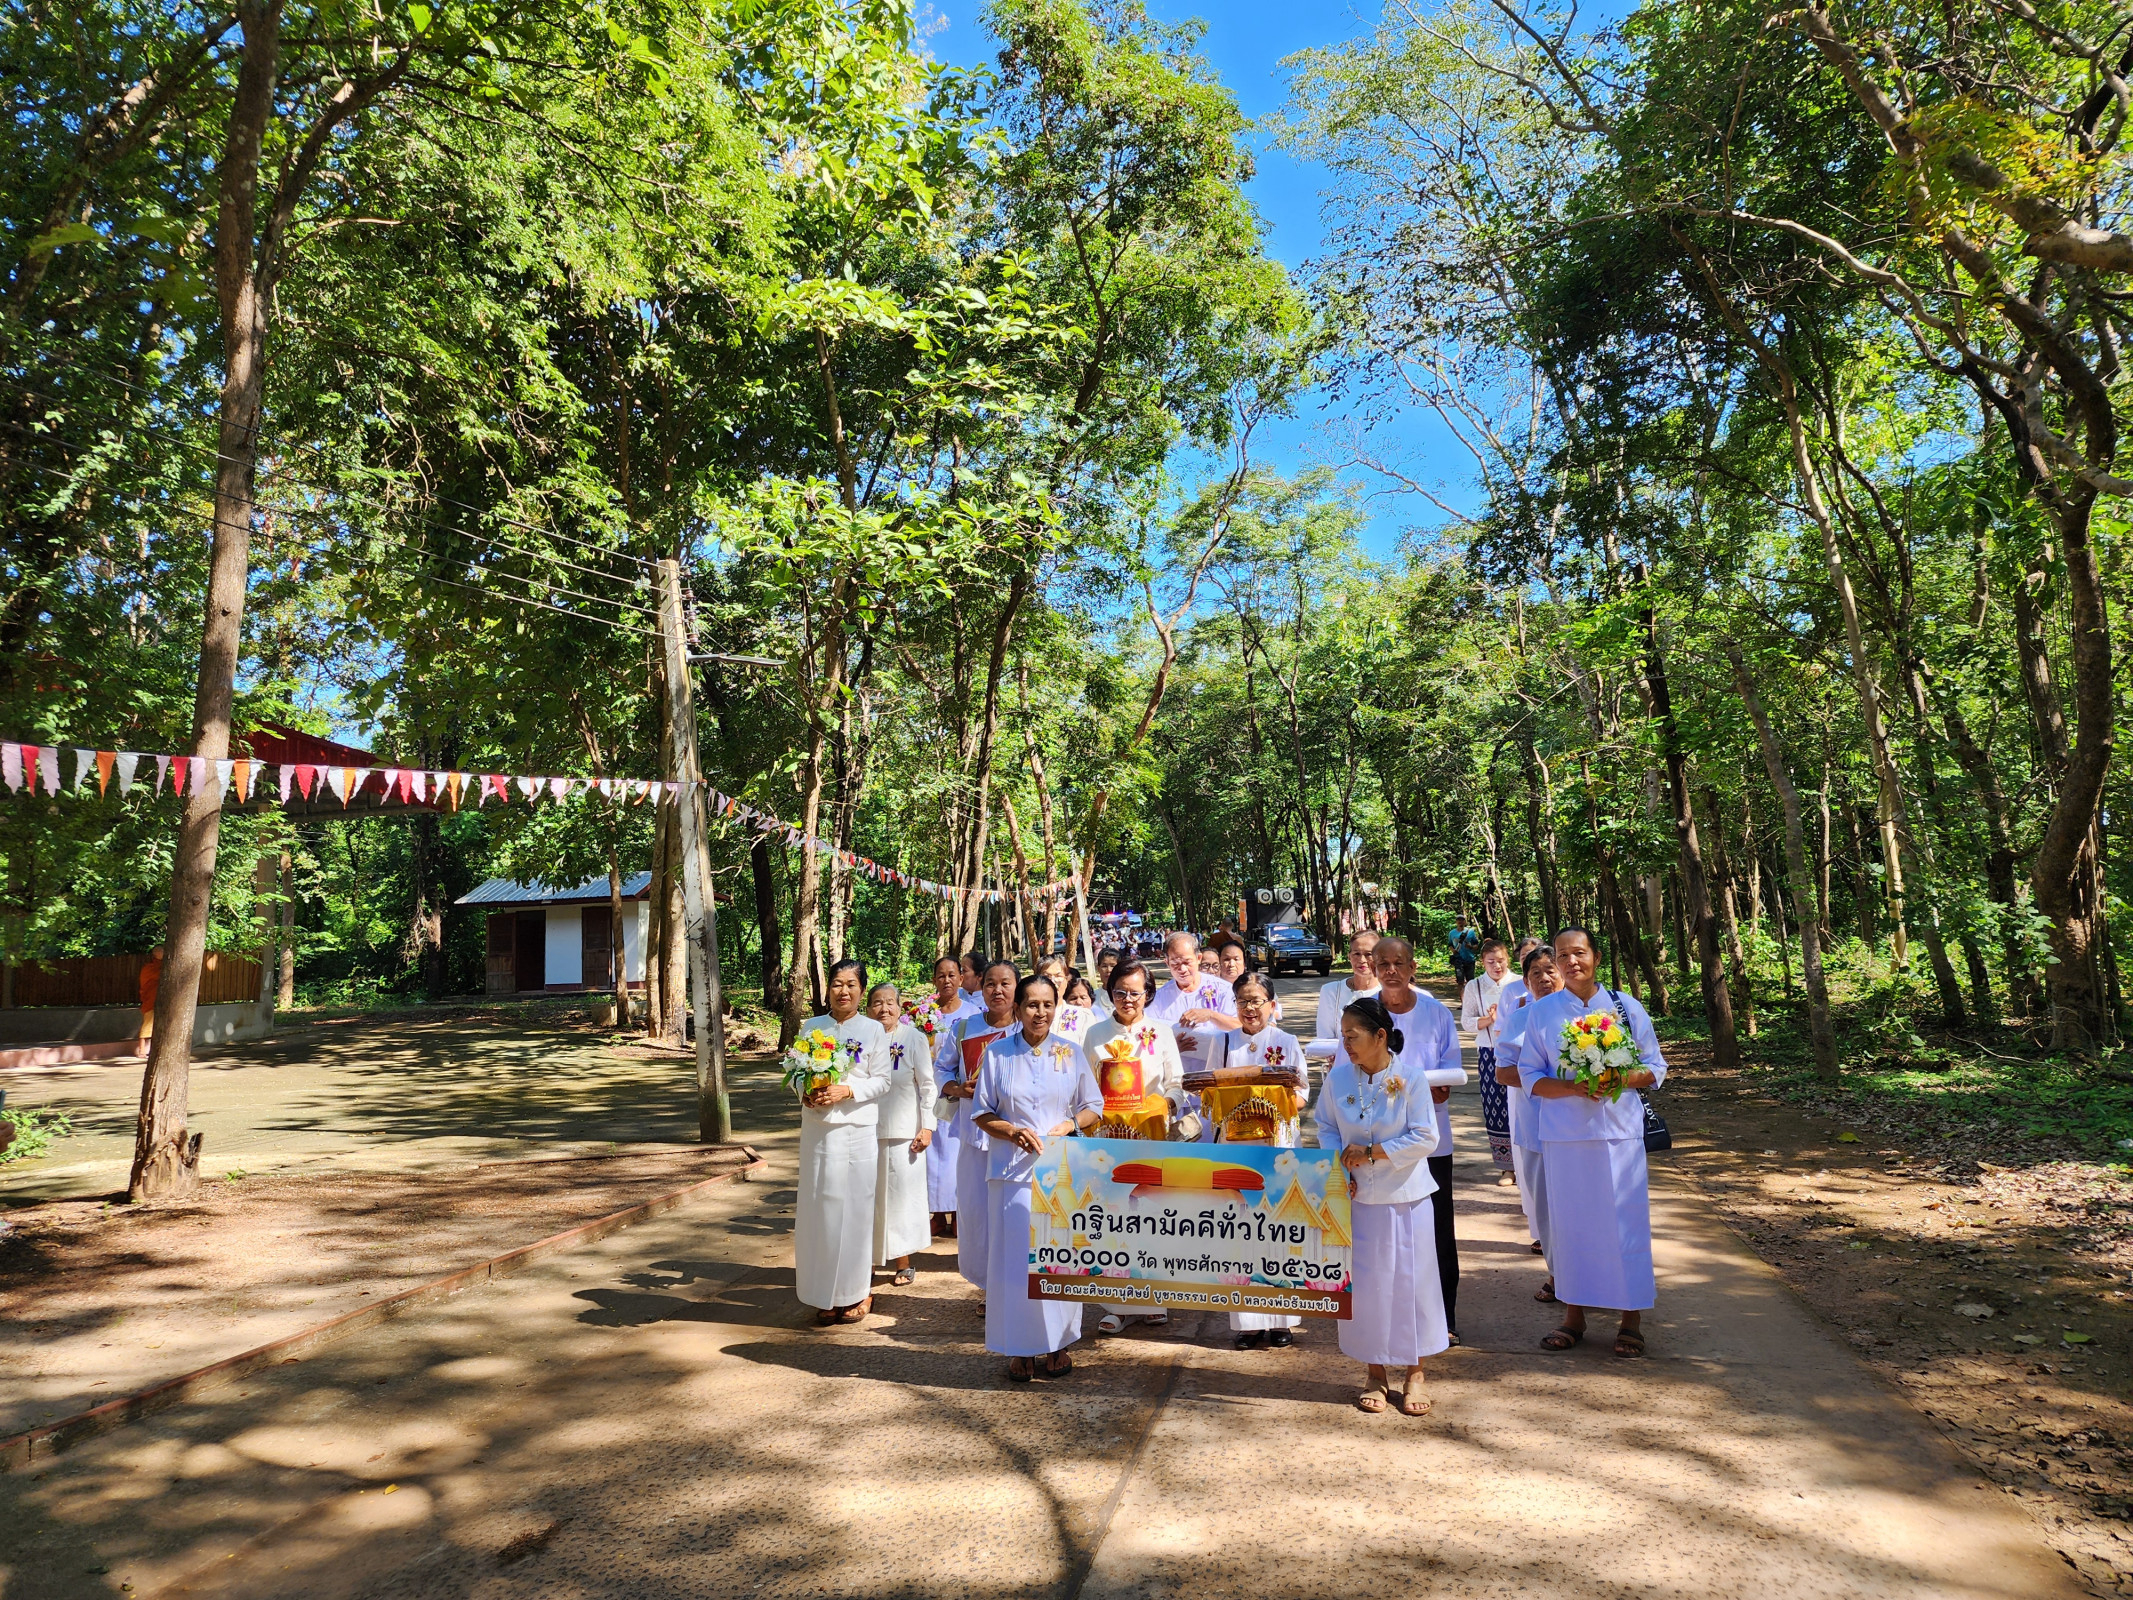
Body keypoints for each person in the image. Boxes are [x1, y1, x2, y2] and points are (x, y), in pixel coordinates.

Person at [1516, 926, 1666, 1359]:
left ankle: (1631, 1319)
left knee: (1626, 1223)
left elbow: (1655, 1066)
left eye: (1578, 953)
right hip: (1565, 1136)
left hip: (1619, 1133)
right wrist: (1573, 1089)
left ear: (1595, 956)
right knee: (1571, 1226)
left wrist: (1617, 1077)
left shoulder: (1625, 1006)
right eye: (1562, 956)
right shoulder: (1542, 1014)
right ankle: (1574, 1316)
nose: (1570, 962)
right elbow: (1529, 1075)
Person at [1315, 994, 1450, 1416]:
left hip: (1406, 1198)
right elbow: (1325, 1127)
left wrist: (1374, 1152)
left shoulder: (1410, 1078)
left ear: (1380, 1036)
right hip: (1358, 1199)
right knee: (1368, 1287)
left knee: (1413, 1284)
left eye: (1353, 1036)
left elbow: (1427, 1136)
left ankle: (1415, 1372)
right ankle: (1375, 1372)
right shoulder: (1338, 1080)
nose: (1347, 1045)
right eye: (1343, 1037)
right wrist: (1340, 1167)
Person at [971, 973, 1102, 1380]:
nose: (1040, 1013)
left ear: (1056, 1007)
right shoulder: (997, 1054)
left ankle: (1058, 1344)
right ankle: (1020, 1348)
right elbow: (982, 1111)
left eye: (1048, 1005)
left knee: (1058, 1259)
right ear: (1018, 1008)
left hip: (1060, 1173)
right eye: (1031, 1005)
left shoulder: (1070, 1051)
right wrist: (1010, 1131)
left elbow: (1093, 1105)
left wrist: (1068, 1126)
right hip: (1010, 1175)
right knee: (1014, 1264)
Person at [1357, 936, 1466, 1342]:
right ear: (1372, 966)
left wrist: (1433, 1089)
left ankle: (1445, 1319)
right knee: (1382, 1234)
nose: (1390, 970)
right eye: (1382, 962)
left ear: (1412, 966)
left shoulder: (1437, 1013)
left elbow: (1449, 1074)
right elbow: (1350, 1067)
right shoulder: (1362, 1014)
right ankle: (1385, 1321)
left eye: (1398, 962)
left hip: (1429, 1142)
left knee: (1437, 1230)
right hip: (1376, 1146)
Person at [1082, 957, 1194, 1334]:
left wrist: (1166, 1104)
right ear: (1109, 992)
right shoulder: (1095, 1033)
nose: (1127, 999)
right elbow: (1083, 1089)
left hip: (1152, 1138)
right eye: (1119, 992)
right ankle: (1115, 1303)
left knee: (1152, 1214)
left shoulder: (1160, 1032)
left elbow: (1177, 1082)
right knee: (1113, 1215)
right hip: (1109, 1142)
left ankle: (1155, 1296)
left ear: (1148, 994)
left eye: (1135, 993)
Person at [794, 959, 892, 1326]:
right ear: (828, 988)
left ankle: (857, 1292)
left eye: (851, 984)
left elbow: (883, 1081)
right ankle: (824, 1294)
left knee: (854, 1212)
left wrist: (847, 1089)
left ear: (861, 991)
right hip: (819, 1131)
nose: (843, 991)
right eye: (837, 983)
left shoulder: (873, 1030)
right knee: (820, 1212)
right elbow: (795, 1071)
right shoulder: (812, 1026)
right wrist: (803, 1092)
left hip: (856, 1132)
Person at [1220, 973, 1308, 1350]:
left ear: (1272, 1004)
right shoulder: (1223, 1042)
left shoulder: (1286, 1043)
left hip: (1279, 1149)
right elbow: (1208, 1093)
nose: (1250, 1008)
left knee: (1279, 1229)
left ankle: (1281, 1319)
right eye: (1242, 1000)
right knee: (1241, 1232)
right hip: (1236, 1152)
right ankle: (1248, 1322)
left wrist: (1269, 1111)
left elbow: (1303, 1093)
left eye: (1256, 1000)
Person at [936, 960, 1019, 1304]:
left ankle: (1015, 1286)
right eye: (990, 984)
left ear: (1017, 988)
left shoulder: (1028, 1029)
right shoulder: (964, 1028)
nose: (997, 991)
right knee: (977, 1212)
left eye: (1005, 983)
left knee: (1013, 1212)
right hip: (972, 1137)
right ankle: (988, 1287)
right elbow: (942, 1069)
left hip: (1015, 1138)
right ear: (980, 988)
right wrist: (957, 1089)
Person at [1498, 944, 1561, 1286]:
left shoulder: (1587, 1017)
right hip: (1535, 1127)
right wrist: (1550, 1082)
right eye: (1535, 973)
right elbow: (1504, 1073)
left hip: (1580, 1129)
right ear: (1525, 982)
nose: (1544, 978)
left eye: (1550, 970)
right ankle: (1556, 1277)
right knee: (1547, 1211)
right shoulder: (1520, 1018)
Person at [867, 983, 936, 1287]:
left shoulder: (913, 1038)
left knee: (900, 1202)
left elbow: (928, 1086)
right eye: (877, 1003)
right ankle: (865, 1265)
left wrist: (927, 1126)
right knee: (867, 1202)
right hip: (864, 1132)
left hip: (904, 1133)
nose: (884, 1009)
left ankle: (903, 1263)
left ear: (899, 1007)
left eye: (890, 1003)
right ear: (868, 1008)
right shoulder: (862, 1038)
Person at [920, 954, 975, 1236]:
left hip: (961, 1092)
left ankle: (957, 1213)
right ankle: (937, 1214)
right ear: (934, 980)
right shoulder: (925, 1013)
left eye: (952, 975)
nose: (947, 980)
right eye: (941, 975)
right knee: (934, 1155)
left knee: (955, 1153)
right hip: (931, 1091)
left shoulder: (972, 1013)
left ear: (961, 979)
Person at [1462, 939, 1515, 1181]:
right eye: (1491, 962)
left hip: (1519, 1053)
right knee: (1496, 1108)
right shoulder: (1475, 986)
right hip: (1489, 1053)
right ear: (1482, 962)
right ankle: (1507, 1166)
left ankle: (1529, 1161)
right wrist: (1489, 1019)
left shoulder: (1518, 983)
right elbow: (1467, 1022)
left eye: (1501, 961)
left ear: (1508, 960)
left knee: (1522, 1106)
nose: (1497, 966)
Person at [1149, 930, 1238, 1075]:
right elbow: (1148, 1039)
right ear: (1166, 962)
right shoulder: (1159, 998)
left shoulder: (1223, 990)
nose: (1182, 969)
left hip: (1218, 1073)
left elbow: (1241, 1027)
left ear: (1198, 958)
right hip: (1178, 1076)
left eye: (1187, 962)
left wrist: (1211, 1015)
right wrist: (1170, 1048)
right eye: (1175, 963)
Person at [1312, 930, 1380, 1051]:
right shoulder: (1331, 991)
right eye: (1356, 954)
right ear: (1349, 956)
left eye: (1368, 954)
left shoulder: (1389, 992)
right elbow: (1325, 1039)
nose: (1362, 960)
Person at [1448, 914, 1479, 985]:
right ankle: (1461, 995)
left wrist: (1470, 947)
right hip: (1458, 959)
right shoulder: (1452, 933)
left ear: (1465, 922)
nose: (1460, 921)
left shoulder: (1470, 932)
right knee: (1460, 981)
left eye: (1462, 920)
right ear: (1456, 922)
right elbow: (1450, 944)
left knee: (1470, 981)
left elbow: (1476, 945)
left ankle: (1470, 995)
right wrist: (1453, 950)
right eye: (1458, 920)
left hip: (1469, 959)